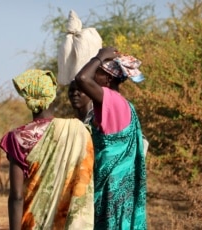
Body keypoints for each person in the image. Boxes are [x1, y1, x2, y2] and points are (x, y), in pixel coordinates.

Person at [0, 69, 95, 229]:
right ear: (52, 95)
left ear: (27, 97)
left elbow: (16, 196)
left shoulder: (18, 137)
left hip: (32, 223)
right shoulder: (77, 130)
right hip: (67, 222)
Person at [74, 46, 147, 229]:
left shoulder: (111, 100)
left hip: (111, 187)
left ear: (108, 78)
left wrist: (99, 57)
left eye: (96, 74)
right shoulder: (123, 105)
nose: (93, 78)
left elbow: (82, 78)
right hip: (119, 186)